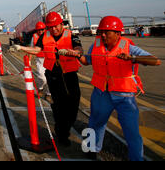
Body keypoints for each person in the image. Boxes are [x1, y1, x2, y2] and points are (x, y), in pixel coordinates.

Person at [75, 16, 161, 161]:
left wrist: (132, 58)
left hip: (124, 96)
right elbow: (86, 61)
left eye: (107, 32)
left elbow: (156, 61)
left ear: (117, 33)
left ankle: (136, 158)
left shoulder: (129, 47)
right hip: (101, 93)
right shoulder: (95, 46)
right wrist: (77, 55)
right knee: (95, 122)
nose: (102, 35)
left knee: (131, 132)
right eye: (101, 31)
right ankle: (91, 149)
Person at [14, 12, 83, 146]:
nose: (54, 29)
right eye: (50, 27)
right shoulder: (44, 36)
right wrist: (21, 48)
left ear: (61, 24)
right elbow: (37, 49)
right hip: (53, 75)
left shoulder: (71, 35)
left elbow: (79, 49)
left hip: (69, 75)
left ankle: (65, 127)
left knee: (73, 107)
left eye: (56, 26)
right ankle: (62, 135)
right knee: (58, 107)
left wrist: (73, 52)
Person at [29, 21, 50, 98]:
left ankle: (48, 94)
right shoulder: (34, 37)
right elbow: (31, 49)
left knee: (50, 79)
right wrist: (29, 60)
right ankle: (40, 88)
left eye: (42, 29)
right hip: (40, 60)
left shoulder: (49, 35)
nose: (40, 31)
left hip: (49, 60)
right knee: (42, 77)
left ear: (45, 29)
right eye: (39, 30)